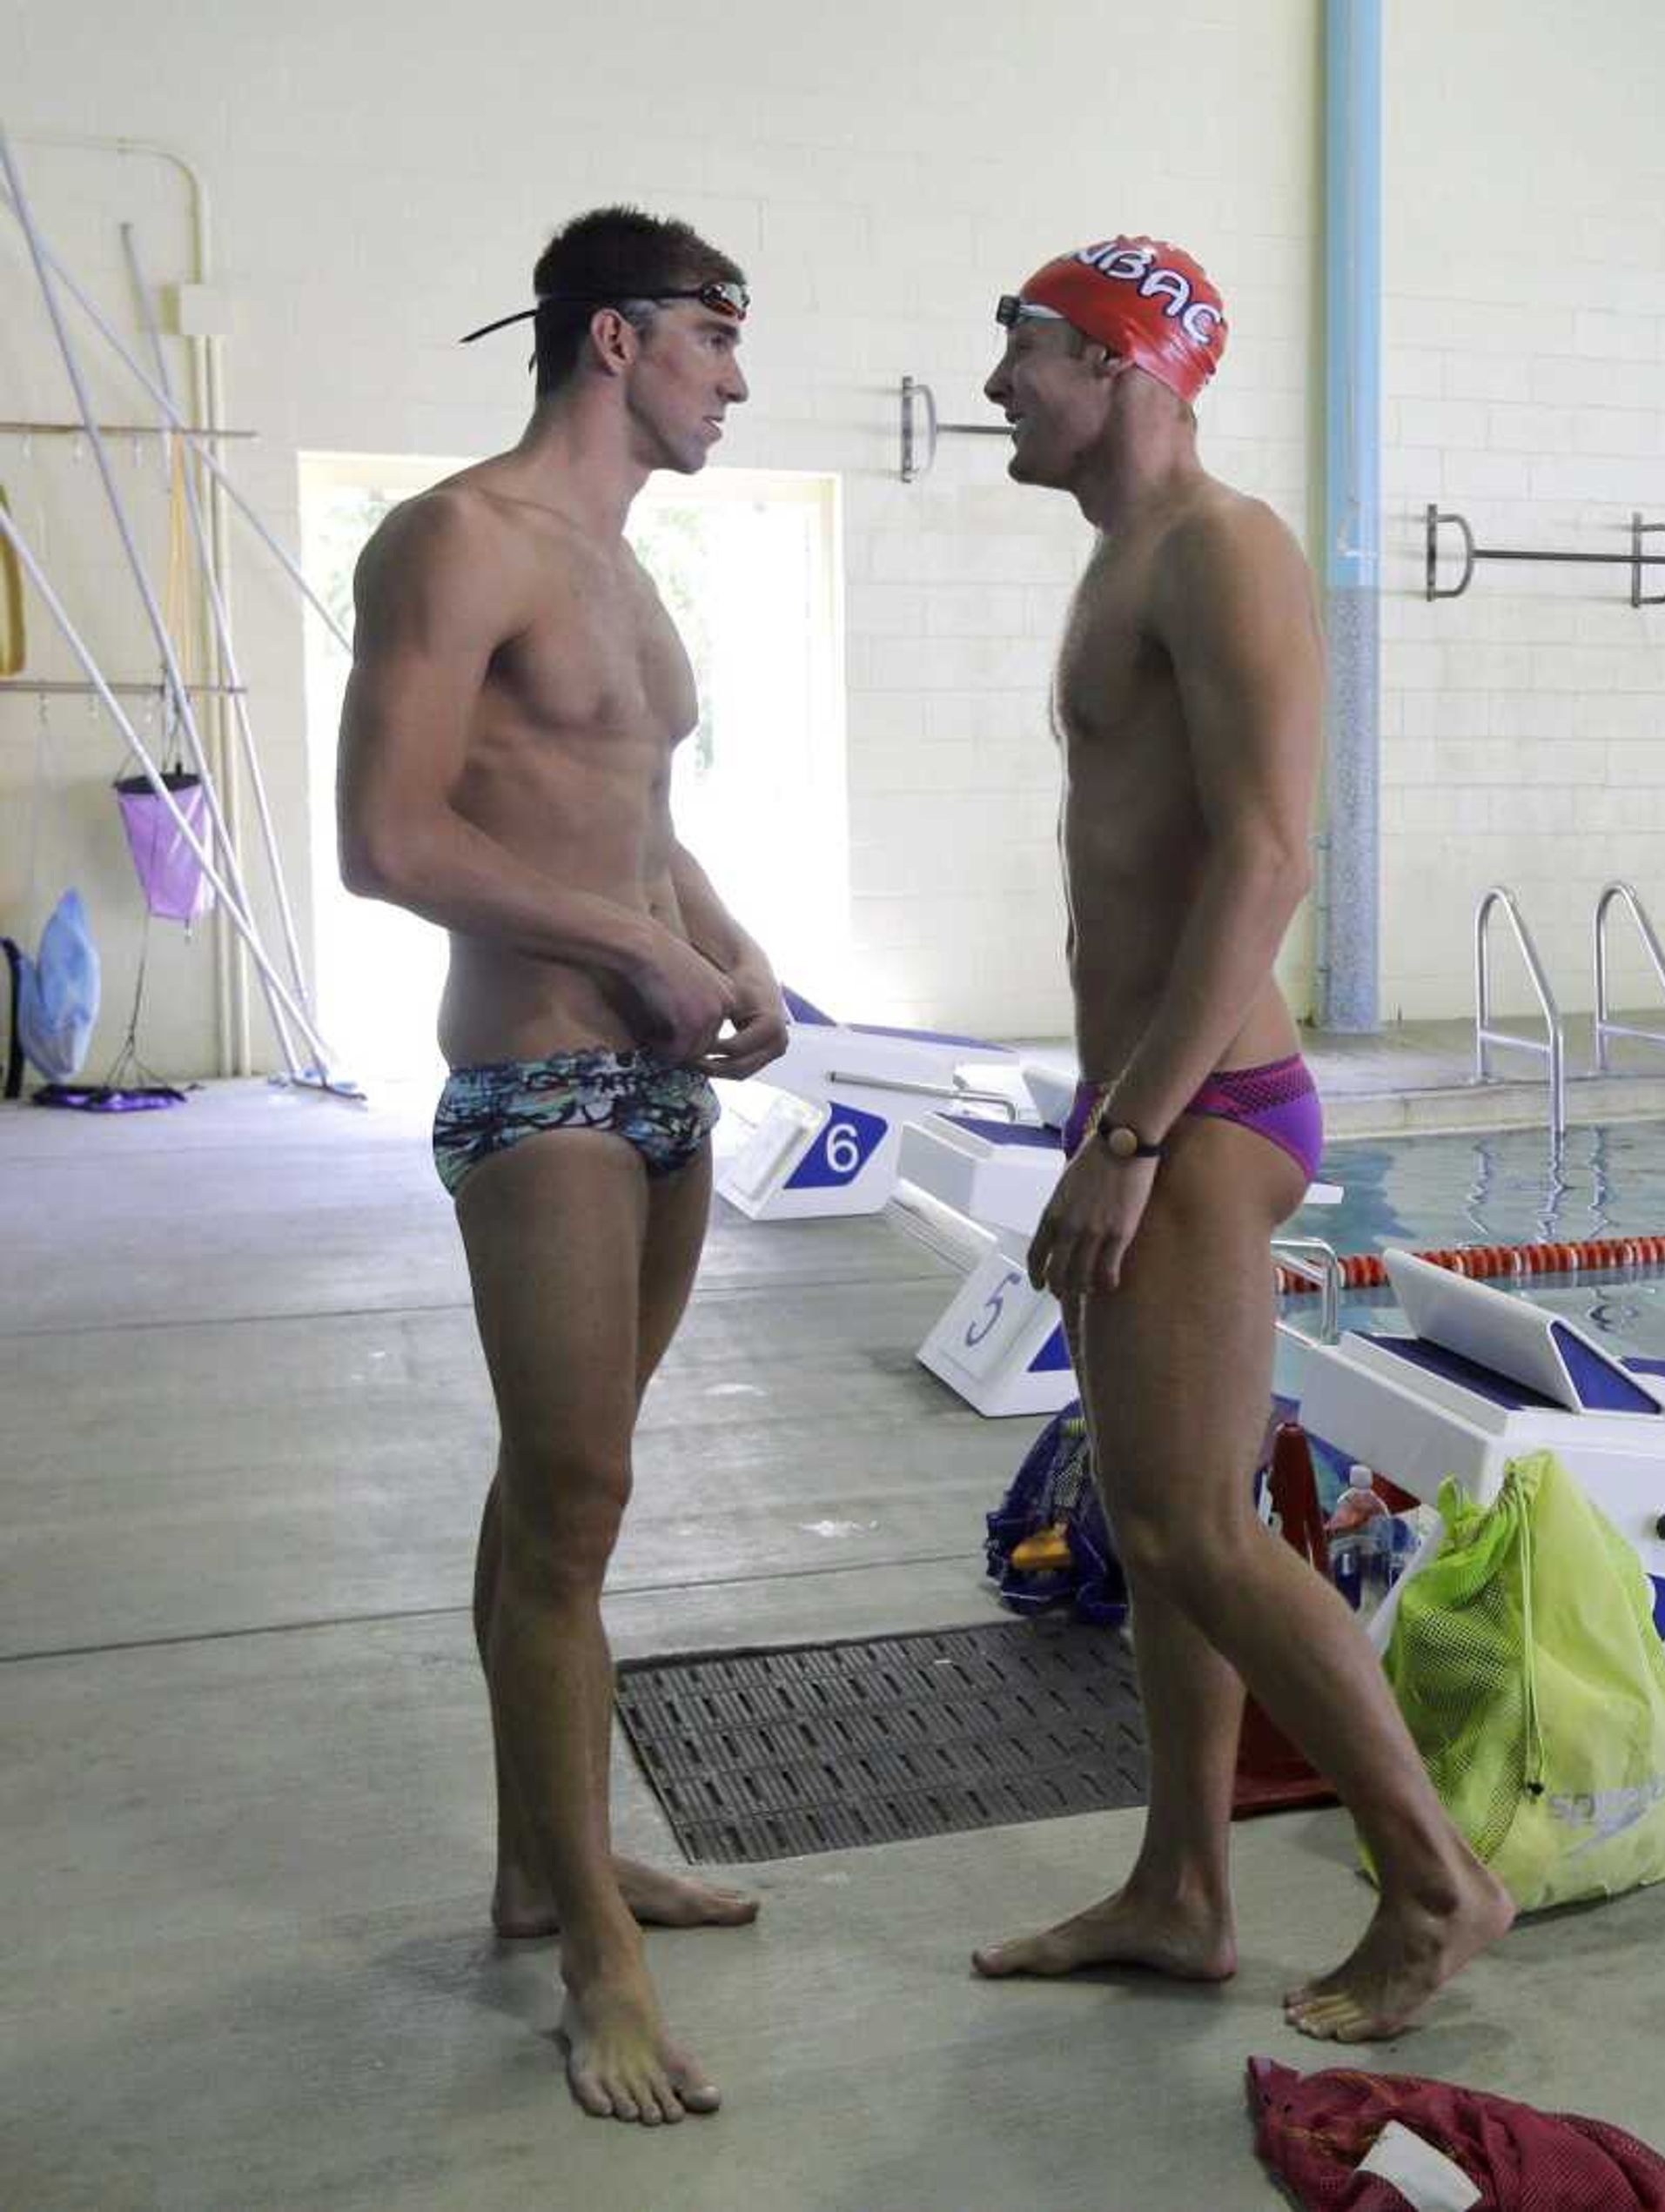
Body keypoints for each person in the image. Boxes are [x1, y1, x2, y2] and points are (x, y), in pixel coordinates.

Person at [961, 238, 1512, 2041]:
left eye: (1026, 354)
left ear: (1123, 362)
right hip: (1143, 1100)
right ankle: (1181, 1883)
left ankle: (1438, 1885)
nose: (998, 391)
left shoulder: (1223, 549)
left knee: (1202, 1521)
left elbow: (1270, 856)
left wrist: (1125, 1131)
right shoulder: (1123, 559)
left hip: (1192, 1107)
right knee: (1155, 1513)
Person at [337, 206, 782, 2126]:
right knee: (580, 1497)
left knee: (559, 1491)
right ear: (614, 338)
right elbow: (385, 836)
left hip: (661, 1075)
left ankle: (547, 1859)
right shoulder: (457, 539)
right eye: (714, 339)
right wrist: (631, 952)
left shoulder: (619, 563)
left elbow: (631, 817)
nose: (735, 381)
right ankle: (595, 1955)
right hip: (541, 1085)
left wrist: (727, 937)